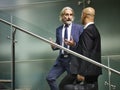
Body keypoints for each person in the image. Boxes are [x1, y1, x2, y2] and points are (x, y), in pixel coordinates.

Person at [59, 7, 102, 90]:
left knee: (63, 85)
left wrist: (81, 73)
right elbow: (86, 49)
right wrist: (74, 44)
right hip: (92, 70)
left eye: (82, 15)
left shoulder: (88, 31)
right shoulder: (94, 29)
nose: (81, 17)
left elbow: (86, 52)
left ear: (84, 15)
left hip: (86, 71)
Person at [46, 6, 83, 90]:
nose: (69, 17)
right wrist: (54, 46)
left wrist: (73, 44)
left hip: (73, 60)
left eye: (71, 14)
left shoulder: (79, 28)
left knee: (71, 85)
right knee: (50, 78)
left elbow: (84, 46)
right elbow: (59, 44)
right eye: (66, 14)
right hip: (61, 60)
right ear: (62, 16)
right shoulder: (58, 30)